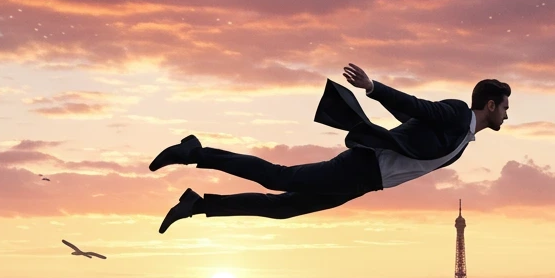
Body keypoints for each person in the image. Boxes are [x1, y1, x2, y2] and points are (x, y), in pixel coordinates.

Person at [152, 63, 510, 231]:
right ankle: (195, 151)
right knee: (279, 178)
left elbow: (416, 128)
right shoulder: (458, 114)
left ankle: (197, 206)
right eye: (505, 107)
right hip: (362, 167)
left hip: (367, 182)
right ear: (490, 104)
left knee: (282, 209)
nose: (507, 116)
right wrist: (373, 88)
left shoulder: (465, 141)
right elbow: (417, 106)